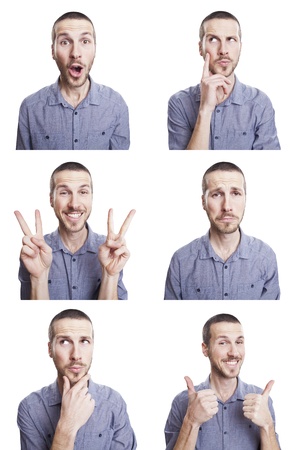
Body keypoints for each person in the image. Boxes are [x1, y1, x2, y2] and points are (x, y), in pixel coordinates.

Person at [17, 308, 137, 449]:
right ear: (50, 349)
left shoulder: (113, 403)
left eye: (84, 341)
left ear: (93, 346)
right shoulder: (30, 408)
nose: (76, 355)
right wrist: (67, 425)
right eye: (65, 342)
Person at [15, 161, 135, 299]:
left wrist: (110, 275)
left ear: (91, 198)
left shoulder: (112, 250)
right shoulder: (34, 251)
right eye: (64, 193)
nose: (74, 204)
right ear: (51, 200)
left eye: (83, 192)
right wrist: (38, 278)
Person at [164, 161, 279, 299]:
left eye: (235, 193)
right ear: (203, 202)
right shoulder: (181, 261)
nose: (227, 206)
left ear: (245, 199)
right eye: (217, 195)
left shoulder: (265, 257)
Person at [164, 313, 280, 449]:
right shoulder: (182, 402)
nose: (234, 352)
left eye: (239, 342)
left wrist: (267, 425)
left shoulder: (262, 401)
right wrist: (191, 421)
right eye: (223, 343)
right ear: (205, 349)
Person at [16, 11, 130, 150]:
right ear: (53, 51)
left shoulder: (116, 105)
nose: (75, 53)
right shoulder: (30, 108)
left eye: (85, 41)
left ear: (95, 49)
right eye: (65, 42)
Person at [168, 11, 280, 150]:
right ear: (200, 48)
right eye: (213, 40)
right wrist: (205, 109)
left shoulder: (260, 104)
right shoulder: (179, 103)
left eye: (231, 40)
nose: (223, 50)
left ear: (240, 47)